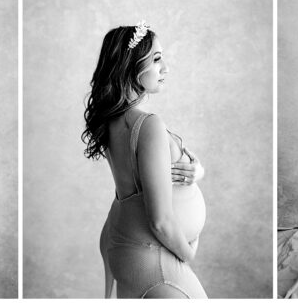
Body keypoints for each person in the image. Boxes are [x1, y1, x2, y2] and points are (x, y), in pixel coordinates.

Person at [83, 21, 208, 298]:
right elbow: (161, 221)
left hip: (126, 243)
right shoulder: (147, 124)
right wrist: (188, 253)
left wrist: (196, 172)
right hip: (151, 256)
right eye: (156, 59)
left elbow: (150, 176)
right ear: (131, 64)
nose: (165, 68)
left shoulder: (113, 120)